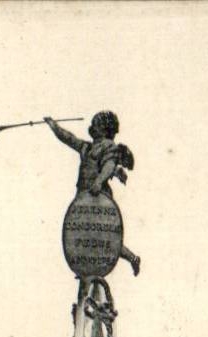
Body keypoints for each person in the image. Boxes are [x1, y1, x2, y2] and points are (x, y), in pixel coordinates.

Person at [44, 112, 141, 275]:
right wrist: (54, 126)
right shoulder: (87, 147)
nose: (92, 126)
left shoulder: (108, 146)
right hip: (83, 196)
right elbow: (69, 139)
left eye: (95, 123)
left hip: (98, 196)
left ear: (104, 128)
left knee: (104, 237)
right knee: (87, 235)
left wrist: (99, 181)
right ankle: (131, 258)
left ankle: (132, 258)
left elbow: (109, 165)